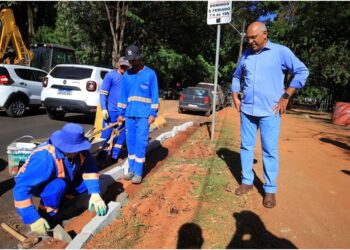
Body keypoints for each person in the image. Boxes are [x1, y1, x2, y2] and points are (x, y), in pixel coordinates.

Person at [231, 21, 309, 208]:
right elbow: (236, 76)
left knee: (269, 151)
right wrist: (235, 95)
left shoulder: (280, 52)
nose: (250, 41)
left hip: (270, 112)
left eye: (253, 37)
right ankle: (247, 181)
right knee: (246, 147)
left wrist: (286, 96)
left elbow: (302, 71)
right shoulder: (246, 55)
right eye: (248, 37)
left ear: (264, 34)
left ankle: (270, 190)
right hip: (248, 110)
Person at [13, 123, 107, 235]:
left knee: (89, 185)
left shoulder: (80, 150)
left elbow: (90, 169)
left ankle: (65, 200)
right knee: (57, 187)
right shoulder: (44, 159)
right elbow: (21, 189)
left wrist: (95, 193)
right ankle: (47, 216)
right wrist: (32, 218)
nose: (76, 152)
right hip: (40, 184)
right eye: (73, 149)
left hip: (65, 176)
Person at [117, 45, 159, 184]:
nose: (131, 63)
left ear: (139, 58)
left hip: (144, 115)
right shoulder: (127, 75)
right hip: (129, 115)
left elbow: (154, 95)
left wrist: (153, 114)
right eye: (130, 60)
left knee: (141, 142)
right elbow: (123, 95)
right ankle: (132, 169)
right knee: (130, 143)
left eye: (133, 59)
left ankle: (139, 172)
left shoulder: (150, 74)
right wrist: (120, 113)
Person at [99, 56, 130, 160]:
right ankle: (101, 157)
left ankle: (114, 157)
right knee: (106, 135)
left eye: (126, 67)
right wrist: (104, 108)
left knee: (120, 135)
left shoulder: (129, 78)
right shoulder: (110, 76)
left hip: (124, 112)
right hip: (111, 111)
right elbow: (103, 93)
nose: (123, 69)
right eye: (122, 66)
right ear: (118, 65)